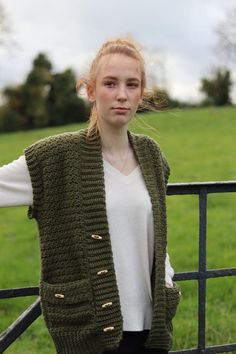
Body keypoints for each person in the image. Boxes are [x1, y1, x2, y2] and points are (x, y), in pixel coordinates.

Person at [0, 38, 181, 354]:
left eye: (132, 84)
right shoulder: (55, 157)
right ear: (90, 90)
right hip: (89, 330)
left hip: (153, 329)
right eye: (110, 83)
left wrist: (166, 277)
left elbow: (156, 232)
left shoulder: (153, 156)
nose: (121, 94)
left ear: (142, 93)